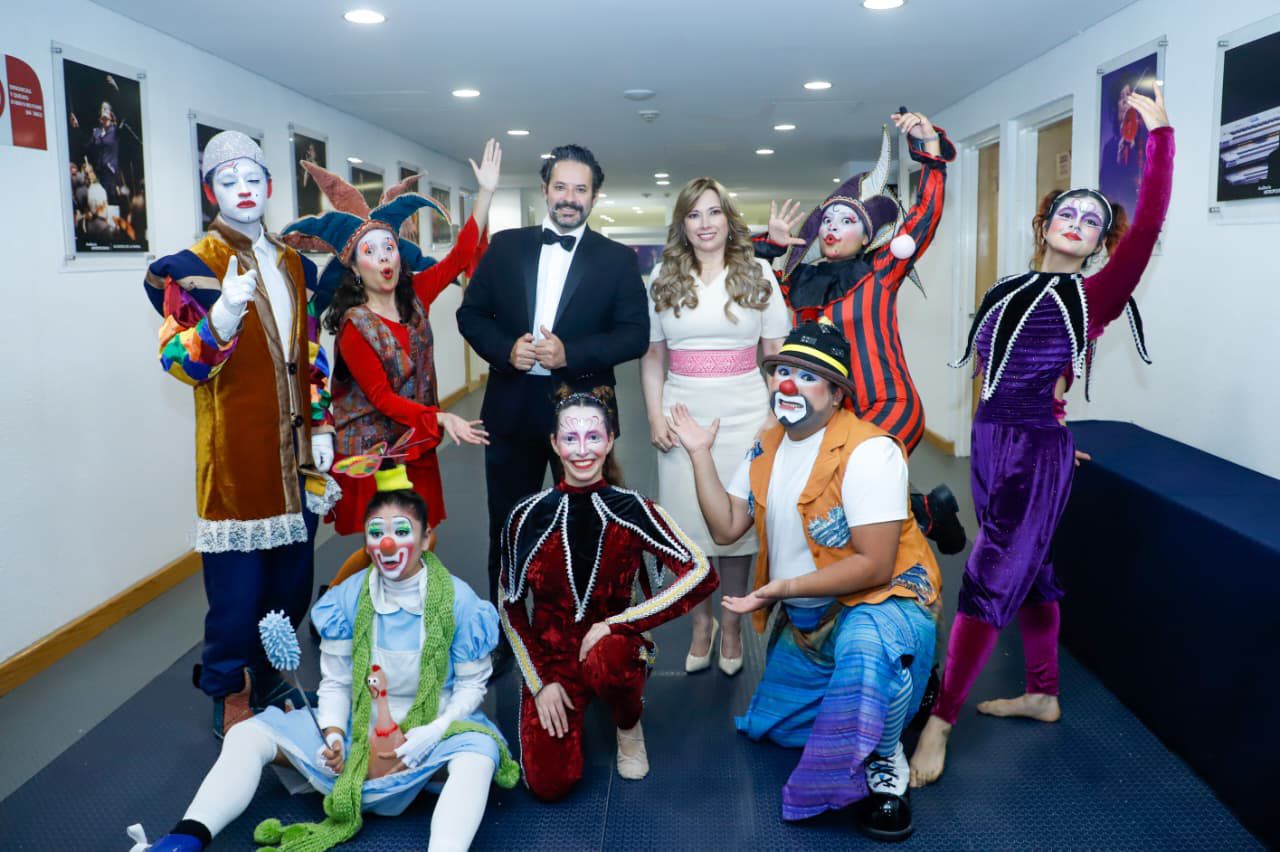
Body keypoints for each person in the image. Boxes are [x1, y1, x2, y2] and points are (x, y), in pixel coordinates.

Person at [909, 85, 1174, 788]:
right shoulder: (1007, 288)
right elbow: (1002, 377)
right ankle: (1042, 692)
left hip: (1029, 451)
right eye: (1068, 212)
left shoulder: (1094, 296)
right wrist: (1047, 441)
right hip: (995, 445)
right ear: (1046, 222)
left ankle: (939, 724)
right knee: (1034, 571)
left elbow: (1148, 223)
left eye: (1092, 221)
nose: (1078, 223)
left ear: (1101, 243)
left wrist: (1160, 138)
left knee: (990, 574)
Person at [133, 467, 518, 852]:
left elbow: (471, 686)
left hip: (431, 732)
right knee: (246, 734)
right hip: (357, 727)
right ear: (366, 542)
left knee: (479, 755)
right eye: (376, 533)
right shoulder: (346, 599)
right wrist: (332, 733)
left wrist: (433, 732)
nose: (387, 544)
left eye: (401, 531)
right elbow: (336, 682)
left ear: (426, 537)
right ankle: (184, 839)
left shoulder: (460, 602)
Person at [667, 320, 941, 841]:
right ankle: (902, 688)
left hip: (883, 601)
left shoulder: (871, 451)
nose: (788, 384)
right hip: (813, 618)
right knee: (780, 729)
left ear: (837, 394)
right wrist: (700, 453)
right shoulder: (767, 443)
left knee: (868, 648)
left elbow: (875, 566)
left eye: (808, 377)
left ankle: (888, 761)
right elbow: (727, 528)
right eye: (782, 372)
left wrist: (782, 589)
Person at [143, 131, 335, 737]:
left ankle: (271, 675)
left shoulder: (293, 263)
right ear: (211, 192)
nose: (243, 190)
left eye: (253, 179)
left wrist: (323, 424)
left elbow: (311, 354)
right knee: (236, 595)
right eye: (229, 182)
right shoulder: (189, 267)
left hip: (297, 457)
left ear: (270, 187)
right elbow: (179, 362)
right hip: (234, 460)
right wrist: (223, 315)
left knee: (292, 583)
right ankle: (229, 687)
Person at [456, 144, 650, 626]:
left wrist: (571, 355)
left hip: (583, 412)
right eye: (560, 187)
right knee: (509, 523)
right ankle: (507, 628)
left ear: (595, 196)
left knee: (587, 524)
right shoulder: (506, 246)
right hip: (512, 407)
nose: (569, 198)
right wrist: (506, 350)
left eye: (580, 190)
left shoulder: (617, 259)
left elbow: (635, 335)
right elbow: (471, 314)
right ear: (545, 190)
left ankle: (586, 628)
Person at [756, 111, 966, 555]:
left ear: (867, 235)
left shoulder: (881, 269)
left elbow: (926, 216)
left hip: (889, 403)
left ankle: (910, 538)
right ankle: (925, 511)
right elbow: (741, 275)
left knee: (854, 480)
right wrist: (770, 247)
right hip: (831, 412)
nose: (832, 227)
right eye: (827, 220)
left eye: (846, 221)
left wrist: (929, 149)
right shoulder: (799, 281)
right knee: (846, 499)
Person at [499, 390, 717, 799]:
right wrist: (540, 682)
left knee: (610, 656)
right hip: (552, 660)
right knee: (550, 785)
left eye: (594, 437)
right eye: (571, 438)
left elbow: (701, 571)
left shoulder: (633, 509)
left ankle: (628, 724)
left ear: (611, 439)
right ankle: (566, 695)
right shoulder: (525, 516)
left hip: (612, 648)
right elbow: (510, 606)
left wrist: (620, 623)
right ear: (554, 443)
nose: (583, 450)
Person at [281, 140, 500, 543]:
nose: (384, 257)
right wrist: (441, 417)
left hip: (415, 443)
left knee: (423, 536)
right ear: (355, 267)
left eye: (389, 247)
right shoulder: (355, 326)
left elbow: (460, 255)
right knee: (386, 546)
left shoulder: (416, 295)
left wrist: (485, 192)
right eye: (371, 251)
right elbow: (381, 398)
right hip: (373, 452)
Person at [641, 176, 789, 675]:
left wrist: (773, 416)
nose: (704, 223)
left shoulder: (758, 272)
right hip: (682, 414)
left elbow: (776, 354)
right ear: (682, 224)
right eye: (693, 214)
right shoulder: (664, 275)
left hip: (745, 413)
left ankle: (731, 624)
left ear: (728, 219)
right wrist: (654, 414)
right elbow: (652, 356)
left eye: (713, 212)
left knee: (736, 530)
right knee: (687, 528)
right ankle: (700, 623)